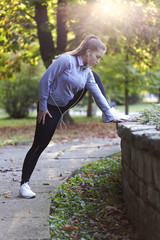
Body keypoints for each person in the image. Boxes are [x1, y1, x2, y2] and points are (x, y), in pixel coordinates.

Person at [19, 34, 128, 199]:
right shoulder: (66, 60)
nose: (98, 60)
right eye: (97, 57)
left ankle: (110, 113)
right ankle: (24, 185)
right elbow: (44, 81)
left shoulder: (87, 72)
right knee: (39, 145)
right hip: (49, 108)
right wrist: (42, 107)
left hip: (64, 105)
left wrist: (109, 115)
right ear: (89, 51)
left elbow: (97, 94)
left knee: (95, 78)